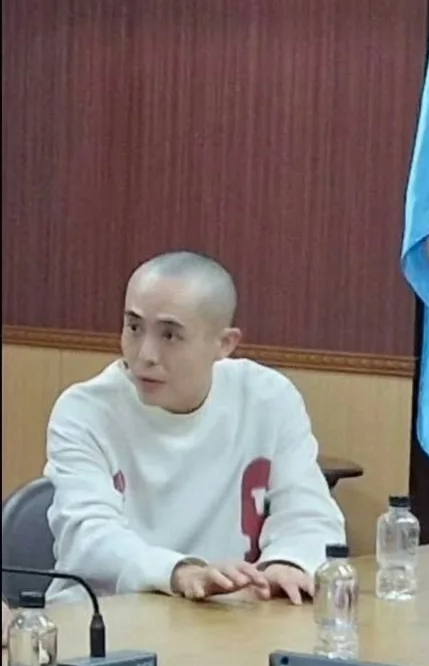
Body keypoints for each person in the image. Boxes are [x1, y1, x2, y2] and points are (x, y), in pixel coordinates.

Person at [44, 251, 346, 607]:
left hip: (226, 617)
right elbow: (87, 537)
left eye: (170, 335)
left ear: (224, 344)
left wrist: (288, 562)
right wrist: (180, 573)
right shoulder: (84, 411)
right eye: (134, 328)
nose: (145, 354)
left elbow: (310, 512)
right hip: (106, 615)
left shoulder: (267, 398)